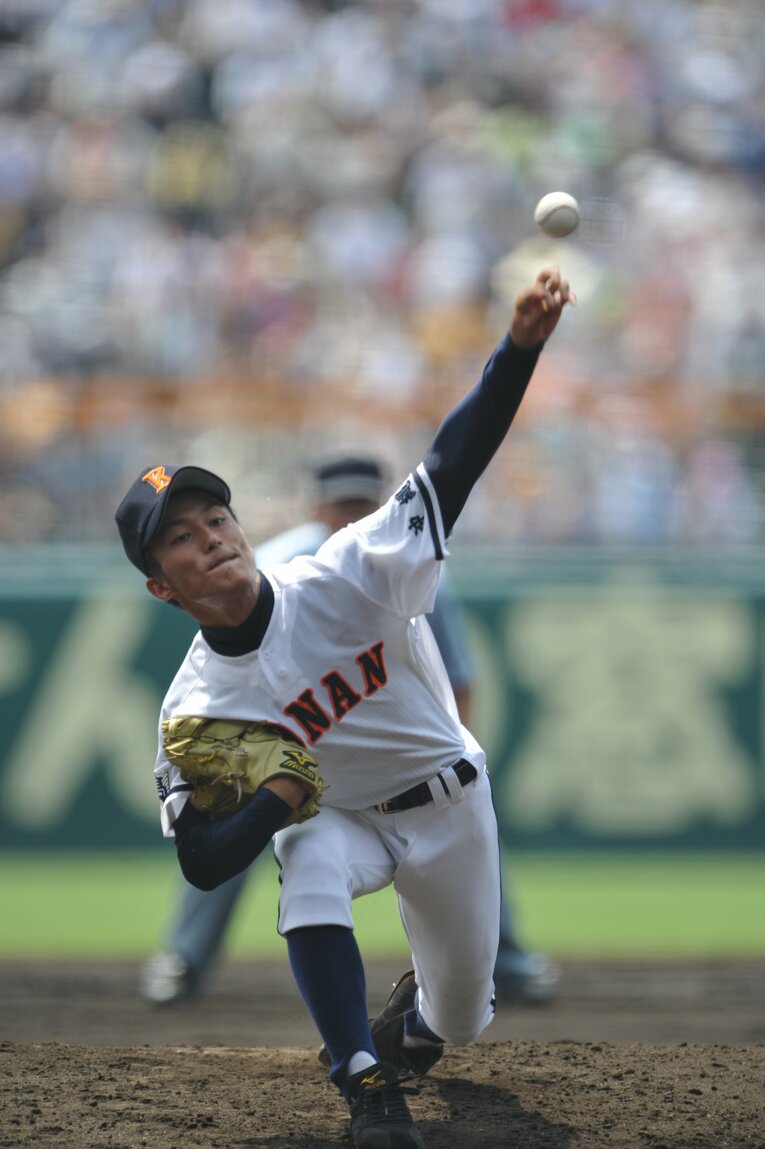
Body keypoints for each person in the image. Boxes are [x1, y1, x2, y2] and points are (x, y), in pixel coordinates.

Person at [115, 266, 574, 1149]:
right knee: (309, 857)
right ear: (160, 585)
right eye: (180, 535)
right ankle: (361, 1079)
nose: (209, 537)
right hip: (344, 819)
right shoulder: (195, 707)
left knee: (462, 1018)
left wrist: (517, 349)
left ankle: (412, 1030)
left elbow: (455, 458)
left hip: (447, 803)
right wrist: (276, 799)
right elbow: (206, 864)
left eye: (214, 517)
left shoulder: (350, 569)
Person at [139, 455, 560, 1009]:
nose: (352, 514)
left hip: (379, 738)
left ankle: (502, 956)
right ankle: (185, 956)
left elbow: (459, 676)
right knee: (235, 819)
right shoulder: (273, 561)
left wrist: (443, 758)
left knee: (459, 796)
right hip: (284, 748)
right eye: (342, 504)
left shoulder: (393, 555)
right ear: (318, 507)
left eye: (364, 504)